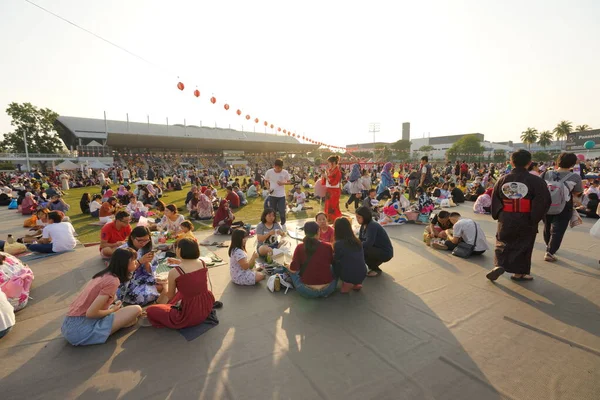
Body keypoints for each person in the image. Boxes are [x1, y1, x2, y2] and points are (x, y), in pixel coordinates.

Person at [487, 149, 551, 282]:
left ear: (511, 162)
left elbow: (495, 198)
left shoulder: (502, 179)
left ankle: (499, 265)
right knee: (524, 244)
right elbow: (543, 200)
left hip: (506, 216)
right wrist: (535, 217)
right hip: (526, 217)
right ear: (529, 162)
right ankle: (519, 273)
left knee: (502, 241)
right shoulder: (536, 181)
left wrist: (499, 214)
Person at [61, 248, 142, 346]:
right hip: (81, 331)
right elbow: (91, 313)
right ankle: (111, 327)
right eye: (133, 260)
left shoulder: (103, 274)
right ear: (126, 263)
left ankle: (117, 322)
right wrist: (113, 310)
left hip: (68, 325)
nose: (136, 262)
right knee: (136, 309)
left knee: (120, 307)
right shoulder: (113, 281)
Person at [145, 239, 216, 329]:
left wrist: (165, 285)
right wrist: (178, 262)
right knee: (183, 291)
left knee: (151, 310)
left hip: (189, 314)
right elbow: (191, 272)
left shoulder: (175, 272)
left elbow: (170, 296)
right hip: (205, 306)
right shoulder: (202, 263)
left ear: (179, 250)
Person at [540, 153, 583, 262]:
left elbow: (539, 186)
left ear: (558, 161)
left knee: (547, 226)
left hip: (546, 204)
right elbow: (578, 192)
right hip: (564, 205)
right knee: (558, 230)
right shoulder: (575, 177)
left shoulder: (547, 173)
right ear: (573, 163)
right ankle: (550, 251)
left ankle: (548, 246)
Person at [284, 221, 337, 298]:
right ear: (318, 231)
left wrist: (287, 266)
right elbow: (332, 263)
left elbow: (293, 269)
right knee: (332, 268)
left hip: (307, 291)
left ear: (305, 233)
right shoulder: (328, 246)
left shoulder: (300, 247)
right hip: (328, 289)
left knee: (292, 271)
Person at [117, 227, 162, 306]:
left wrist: (147, 262)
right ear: (132, 238)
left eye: (146, 240)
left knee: (164, 285)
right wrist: (140, 261)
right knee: (143, 296)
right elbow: (123, 272)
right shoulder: (122, 251)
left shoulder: (146, 249)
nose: (143, 243)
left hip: (143, 279)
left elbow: (150, 273)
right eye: (140, 240)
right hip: (128, 282)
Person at [355, 206, 393, 277]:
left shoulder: (372, 226)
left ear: (365, 217)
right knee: (360, 248)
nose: (357, 219)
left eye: (359, 217)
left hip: (385, 252)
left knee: (363, 250)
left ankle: (375, 269)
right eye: (356, 217)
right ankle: (372, 266)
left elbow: (368, 243)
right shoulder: (363, 225)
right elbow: (360, 239)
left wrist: (355, 245)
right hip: (376, 249)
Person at [332, 217, 366, 293]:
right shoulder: (357, 241)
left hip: (348, 275)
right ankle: (357, 283)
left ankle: (347, 283)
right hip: (362, 273)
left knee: (333, 263)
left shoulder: (338, 244)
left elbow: (336, 259)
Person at [264, 159, 291, 229]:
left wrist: (283, 183)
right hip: (272, 195)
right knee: (272, 211)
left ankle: (283, 223)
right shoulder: (269, 172)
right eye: (278, 168)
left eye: (280, 168)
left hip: (281, 195)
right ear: (274, 166)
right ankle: (274, 223)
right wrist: (268, 188)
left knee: (282, 210)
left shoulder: (285, 172)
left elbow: (289, 181)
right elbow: (265, 181)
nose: (279, 170)